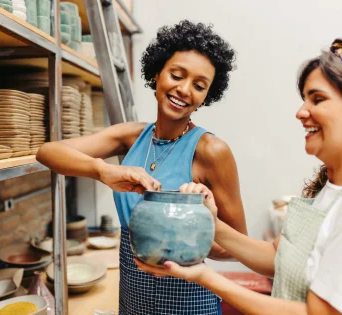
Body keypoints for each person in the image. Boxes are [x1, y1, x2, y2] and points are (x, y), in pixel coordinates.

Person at [135, 38, 342, 315]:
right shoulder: (331, 190)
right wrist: (214, 223)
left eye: (318, 99)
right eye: (304, 99)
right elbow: (278, 258)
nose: (301, 111)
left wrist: (206, 277)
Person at [37, 20, 248, 314]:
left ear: (206, 97)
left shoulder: (212, 151)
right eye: (176, 75)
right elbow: (48, 152)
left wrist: (189, 238)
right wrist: (103, 171)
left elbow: (239, 248)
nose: (184, 89)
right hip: (133, 295)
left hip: (187, 299)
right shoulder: (130, 136)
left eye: (199, 86)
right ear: (157, 73)